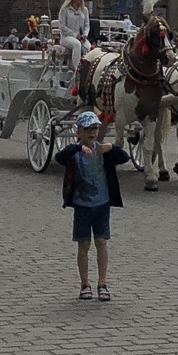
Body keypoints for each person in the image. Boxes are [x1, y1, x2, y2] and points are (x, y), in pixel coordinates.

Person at [56, 109, 130, 300]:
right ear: (79, 132)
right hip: (82, 205)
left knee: (101, 242)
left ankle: (102, 283)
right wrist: (78, 148)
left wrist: (111, 147)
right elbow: (60, 157)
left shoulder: (102, 151)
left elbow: (124, 157)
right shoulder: (75, 153)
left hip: (102, 204)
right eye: (88, 129)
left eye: (95, 129)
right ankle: (84, 284)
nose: (92, 133)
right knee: (84, 244)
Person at [58, 0, 92, 71]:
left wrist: (84, 35)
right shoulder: (65, 10)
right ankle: (77, 69)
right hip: (67, 37)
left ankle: (87, 69)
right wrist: (75, 35)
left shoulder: (84, 10)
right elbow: (62, 26)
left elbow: (87, 25)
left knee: (88, 47)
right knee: (76, 44)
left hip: (81, 37)